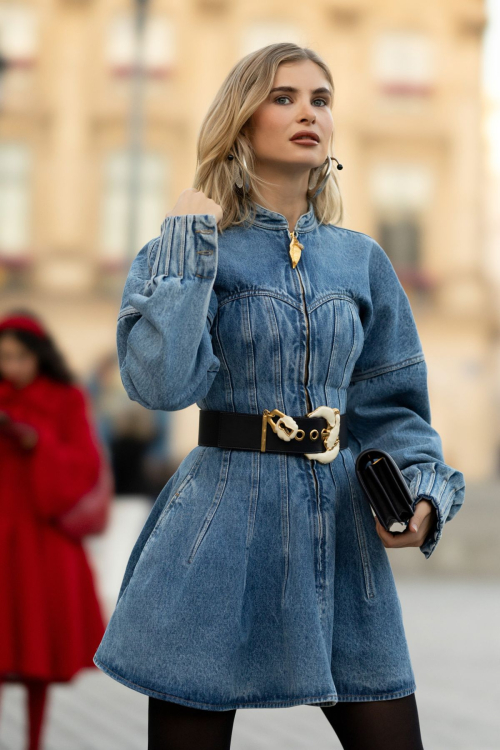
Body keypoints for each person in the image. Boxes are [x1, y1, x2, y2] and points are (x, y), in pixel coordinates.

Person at [93, 43, 466, 750]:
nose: (308, 113)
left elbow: (393, 406)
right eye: (283, 96)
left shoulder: (362, 260)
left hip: (342, 538)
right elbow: (162, 386)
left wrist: (419, 491)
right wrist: (186, 244)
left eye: (321, 100)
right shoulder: (193, 246)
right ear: (242, 120)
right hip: (215, 534)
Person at [0, 309, 107, 750]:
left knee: (37, 652)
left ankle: (35, 742)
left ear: (39, 357)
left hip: (43, 543)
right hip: (5, 539)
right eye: (3, 357)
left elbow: (85, 465)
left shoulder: (67, 398)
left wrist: (36, 440)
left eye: (19, 356)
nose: (11, 367)